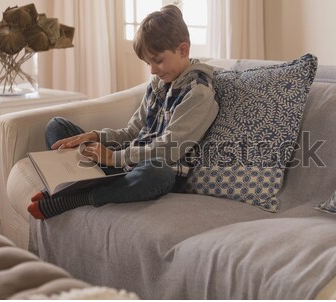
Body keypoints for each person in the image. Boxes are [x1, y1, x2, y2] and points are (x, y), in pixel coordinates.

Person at [28, 4, 219, 220]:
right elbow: (132, 131)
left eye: (157, 60)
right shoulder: (158, 83)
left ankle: (78, 197)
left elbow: (170, 149)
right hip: (123, 165)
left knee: (157, 171)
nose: (153, 70)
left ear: (183, 50)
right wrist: (97, 137)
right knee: (57, 126)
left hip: (152, 172)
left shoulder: (198, 93)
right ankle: (73, 184)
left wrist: (113, 158)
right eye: (148, 63)